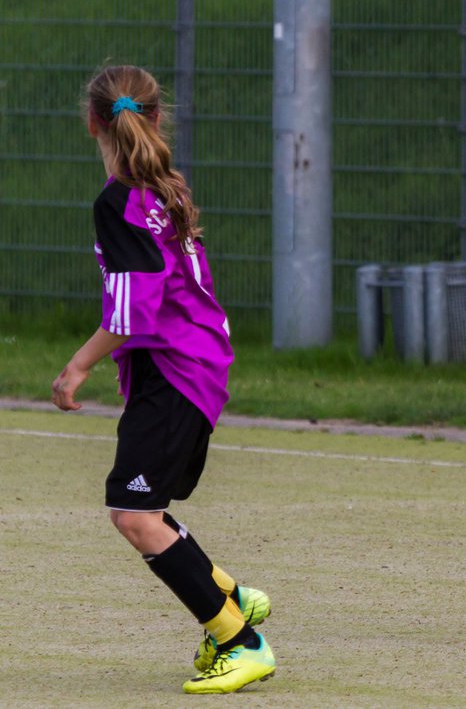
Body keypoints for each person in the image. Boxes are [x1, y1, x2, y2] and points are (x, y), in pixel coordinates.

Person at [50, 66, 275, 694]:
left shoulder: (119, 200)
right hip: (193, 363)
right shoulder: (162, 184)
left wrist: (80, 363)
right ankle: (231, 595)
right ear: (157, 117)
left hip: (175, 369)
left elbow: (133, 310)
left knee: (133, 511)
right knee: (143, 506)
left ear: (91, 121)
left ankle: (240, 640)